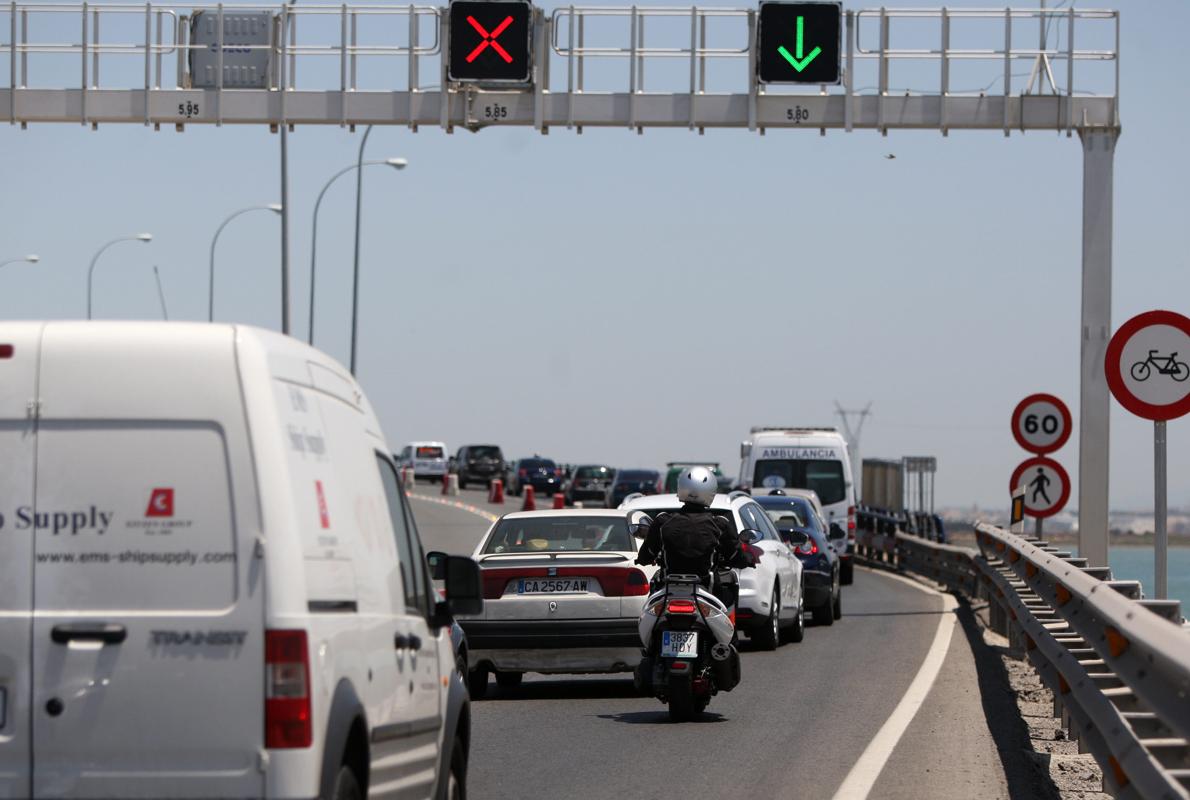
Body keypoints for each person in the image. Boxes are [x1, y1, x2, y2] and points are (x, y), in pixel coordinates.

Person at [635, 466, 757, 589]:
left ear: (681, 487)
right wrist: (747, 560)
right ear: (711, 490)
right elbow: (735, 556)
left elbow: (646, 555)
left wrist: (644, 559)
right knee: (730, 589)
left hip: (668, 589)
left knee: (653, 593)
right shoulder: (720, 524)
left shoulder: (662, 521)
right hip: (706, 589)